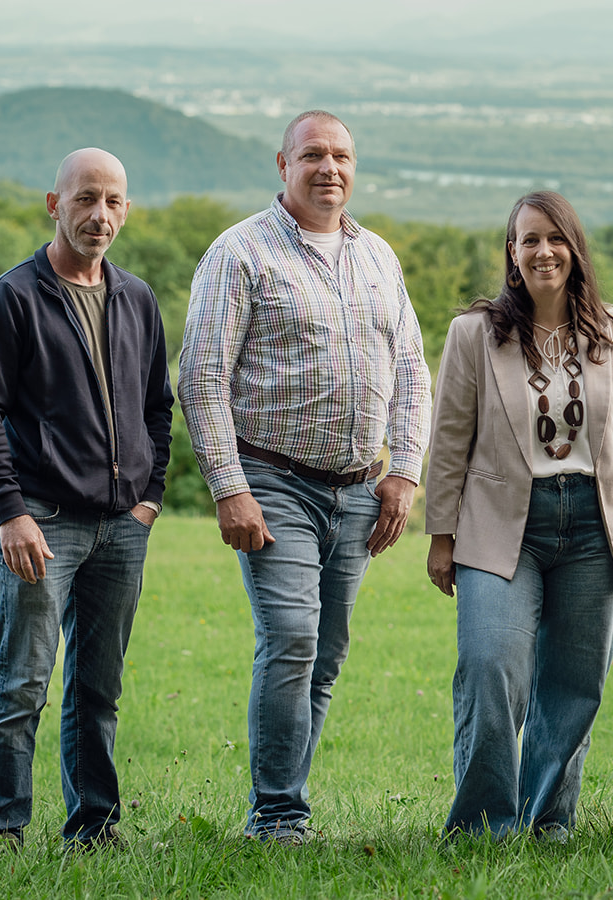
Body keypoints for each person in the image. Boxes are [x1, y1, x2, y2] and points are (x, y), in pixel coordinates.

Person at [178, 110, 432, 845]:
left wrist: (405, 471)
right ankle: (279, 815)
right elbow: (201, 378)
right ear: (282, 163)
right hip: (274, 481)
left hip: (360, 488)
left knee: (326, 652)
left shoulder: (378, 255)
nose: (330, 168)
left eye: (343, 155)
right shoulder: (239, 252)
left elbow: (413, 368)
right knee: (290, 637)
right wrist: (230, 488)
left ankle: (286, 800)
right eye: (314, 154)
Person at [0, 148, 172, 850]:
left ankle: (95, 826)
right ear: (55, 204)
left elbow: (156, 409)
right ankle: (2, 828)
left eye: (112, 201)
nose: (99, 214)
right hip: (41, 522)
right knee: (23, 683)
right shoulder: (13, 297)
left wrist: (150, 500)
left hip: (122, 525)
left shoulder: (136, 297)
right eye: (85, 199)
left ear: (127, 210)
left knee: (97, 691)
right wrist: (10, 511)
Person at [425, 191, 613, 842]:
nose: (542, 251)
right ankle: (481, 827)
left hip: (591, 525)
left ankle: (548, 820)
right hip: (499, 524)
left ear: (574, 249)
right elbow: (451, 437)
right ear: (512, 255)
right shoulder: (475, 333)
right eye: (528, 240)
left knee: (575, 685)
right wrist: (441, 537)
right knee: (490, 666)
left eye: (555, 238)